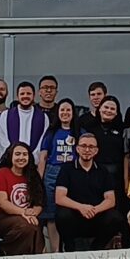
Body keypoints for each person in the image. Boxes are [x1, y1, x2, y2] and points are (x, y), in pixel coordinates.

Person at [52, 128, 124, 250]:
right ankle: (70, 248)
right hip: (75, 215)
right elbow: (60, 198)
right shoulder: (66, 169)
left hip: (96, 215)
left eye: (91, 147)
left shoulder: (103, 171)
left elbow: (110, 200)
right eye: (83, 146)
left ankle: (96, 248)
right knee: (62, 215)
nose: (87, 150)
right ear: (77, 149)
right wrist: (81, 207)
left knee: (115, 217)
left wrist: (94, 210)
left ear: (96, 151)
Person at [0, 140, 46, 256]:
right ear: (11, 156)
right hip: (2, 217)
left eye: (25, 154)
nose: (21, 157)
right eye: (17, 154)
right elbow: (1, 202)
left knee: (35, 228)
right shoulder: (2, 173)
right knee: (26, 226)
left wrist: (32, 213)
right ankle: (4, 252)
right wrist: (24, 212)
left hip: (26, 216)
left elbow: (39, 202)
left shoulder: (33, 175)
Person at [42, 99, 81, 250]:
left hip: (73, 173)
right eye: (62, 110)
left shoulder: (80, 132)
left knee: (71, 212)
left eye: (68, 110)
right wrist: (40, 178)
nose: (65, 113)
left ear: (73, 113)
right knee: (51, 214)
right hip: (52, 173)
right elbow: (43, 156)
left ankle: (70, 248)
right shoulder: (51, 132)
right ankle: (55, 251)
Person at [3, 79, 51, 161]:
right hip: (11, 163)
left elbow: (42, 142)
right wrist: (14, 158)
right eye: (22, 94)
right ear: (17, 96)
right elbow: (2, 141)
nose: (25, 96)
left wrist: (30, 160)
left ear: (34, 96)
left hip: (33, 164)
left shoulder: (43, 117)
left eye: (28, 93)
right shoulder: (6, 115)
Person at [92, 94, 129, 165]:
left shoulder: (123, 129)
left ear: (116, 113)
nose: (109, 110)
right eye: (106, 107)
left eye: (112, 109)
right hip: (94, 168)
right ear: (100, 108)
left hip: (116, 169)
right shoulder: (90, 127)